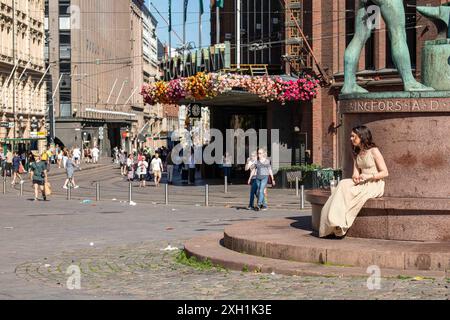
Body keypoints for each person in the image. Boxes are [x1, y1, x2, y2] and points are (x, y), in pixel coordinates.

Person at [319, 126, 389, 238]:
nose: (351, 139)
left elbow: (385, 172)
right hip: (362, 181)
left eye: (353, 136)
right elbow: (355, 173)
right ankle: (333, 220)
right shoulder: (357, 153)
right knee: (343, 183)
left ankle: (340, 223)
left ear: (362, 136)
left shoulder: (374, 151)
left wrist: (368, 176)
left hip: (375, 183)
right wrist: (356, 177)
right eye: (351, 136)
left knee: (349, 191)